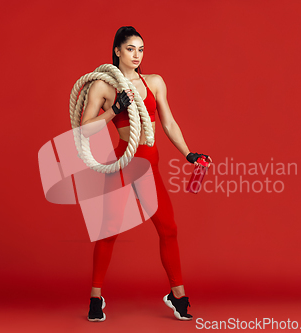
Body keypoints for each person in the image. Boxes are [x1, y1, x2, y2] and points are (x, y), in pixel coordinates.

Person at [80, 26, 212, 322]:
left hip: (149, 164)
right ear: (117, 50)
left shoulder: (154, 82)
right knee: (109, 230)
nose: (137, 55)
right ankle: (95, 298)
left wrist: (189, 154)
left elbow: (168, 123)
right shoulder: (103, 86)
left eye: (140, 49)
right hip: (124, 162)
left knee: (169, 229)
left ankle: (177, 296)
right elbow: (85, 129)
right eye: (130, 49)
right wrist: (114, 109)